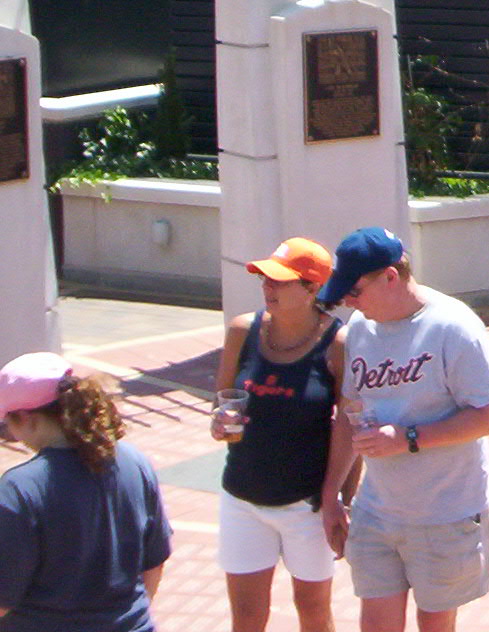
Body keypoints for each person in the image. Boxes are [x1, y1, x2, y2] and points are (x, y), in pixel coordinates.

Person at [317, 226, 489, 632]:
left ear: (389, 276)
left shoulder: (452, 327)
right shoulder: (360, 330)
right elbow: (349, 411)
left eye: (354, 291)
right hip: (376, 510)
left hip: (445, 512)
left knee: (435, 625)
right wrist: (332, 493)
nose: (349, 302)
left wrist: (407, 439)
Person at [215, 237, 350, 632]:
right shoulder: (243, 330)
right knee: (248, 616)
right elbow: (220, 405)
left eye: (279, 281)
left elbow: (347, 427)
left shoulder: (338, 344)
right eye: (264, 278)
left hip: (305, 505)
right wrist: (220, 424)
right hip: (242, 496)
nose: (266, 287)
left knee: (313, 612)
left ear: (312, 289)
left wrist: (342, 499)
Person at [0, 351, 173, 632]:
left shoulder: (19, 488)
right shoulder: (134, 461)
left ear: (27, 418)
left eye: (8, 421)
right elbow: (154, 562)